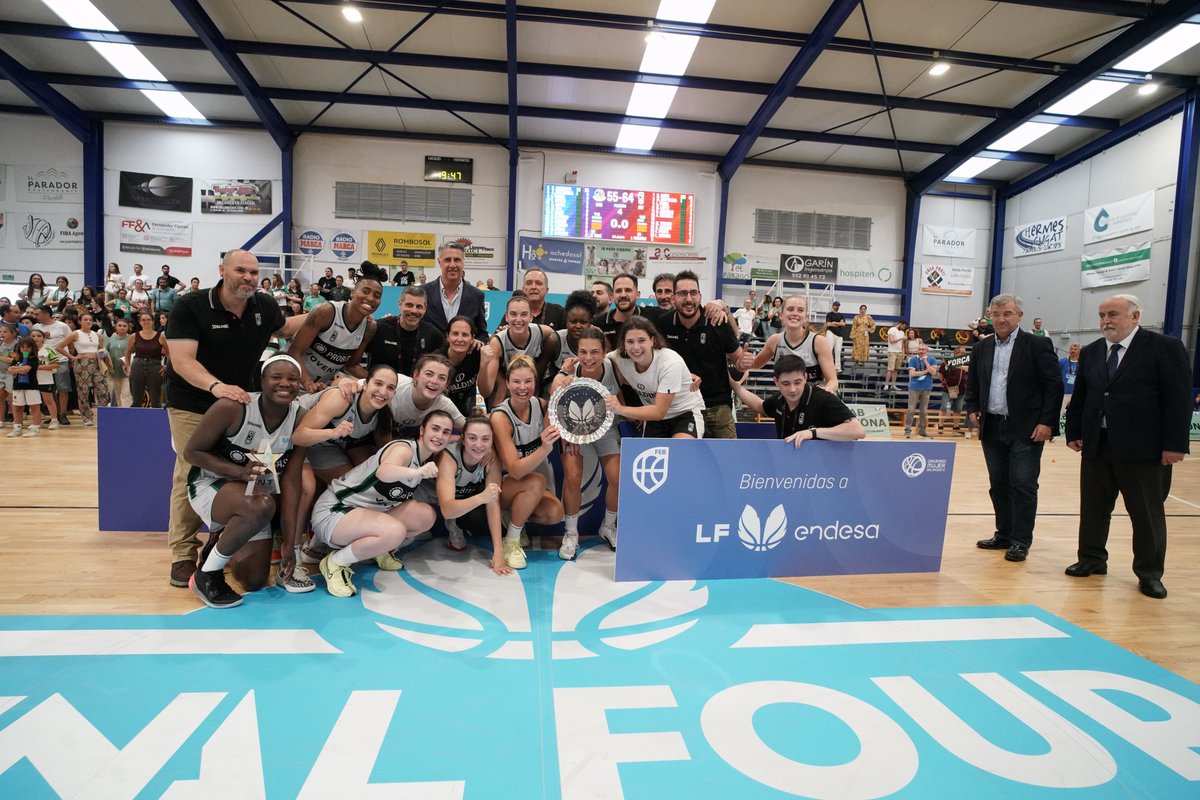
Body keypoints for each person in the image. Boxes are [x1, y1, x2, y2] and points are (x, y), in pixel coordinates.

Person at [162, 248, 304, 589]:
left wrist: (336, 313)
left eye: (254, 273)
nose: (248, 278)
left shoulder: (264, 306)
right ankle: (183, 554)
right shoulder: (191, 306)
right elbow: (181, 360)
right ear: (222, 269)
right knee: (190, 470)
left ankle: (224, 538)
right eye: (241, 270)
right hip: (194, 401)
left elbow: (286, 329)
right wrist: (216, 387)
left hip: (242, 405)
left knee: (257, 474)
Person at [1063, 294, 1191, 599]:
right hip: (1098, 444)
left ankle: (1149, 573)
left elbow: (1179, 400)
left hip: (1145, 450)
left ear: (1135, 317)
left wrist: (1175, 445)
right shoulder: (1093, 351)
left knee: (1146, 515)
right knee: (1093, 508)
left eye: (1113, 314)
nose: (1106, 320)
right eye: (1102, 314)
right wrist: (1074, 431)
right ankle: (1092, 559)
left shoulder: (1164, 347)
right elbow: (1082, 397)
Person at [183, 356, 310, 607]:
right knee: (259, 504)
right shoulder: (233, 407)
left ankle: (220, 541)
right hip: (212, 485)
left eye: (292, 379)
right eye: (276, 377)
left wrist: (289, 543)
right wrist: (238, 472)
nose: (285, 383)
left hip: (255, 497)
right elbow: (192, 452)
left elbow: (292, 483)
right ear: (262, 381)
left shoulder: (300, 418)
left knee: (253, 580)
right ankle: (207, 575)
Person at [311, 409, 454, 597]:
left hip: (363, 513)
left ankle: (379, 549)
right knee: (395, 531)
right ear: (422, 430)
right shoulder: (404, 449)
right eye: (435, 429)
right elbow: (383, 472)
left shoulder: (424, 457)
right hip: (335, 511)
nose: (439, 436)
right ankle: (335, 562)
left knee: (425, 516)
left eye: (446, 432)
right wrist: (417, 473)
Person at [963, 294, 1062, 564]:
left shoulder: (1038, 345)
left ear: (1019, 315)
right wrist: (972, 407)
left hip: (1026, 428)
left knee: (1023, 485)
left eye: (1007, 313)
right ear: (989, 317)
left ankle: (1021, 541)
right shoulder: (982, 348)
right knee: (999, 485)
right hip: (992, 426)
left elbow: (1054, 385)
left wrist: (1047, 422)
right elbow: (974, 382)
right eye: (996, 314)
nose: (1001, 319)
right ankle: (1004, 534)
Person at [549, 326, 621, 558]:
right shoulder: (569, 374)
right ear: (576, 352)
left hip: (607, 430)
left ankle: (608, 527)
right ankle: (571, 534)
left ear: (604, 352)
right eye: (583, 352)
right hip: (575, 432)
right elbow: (554, 402)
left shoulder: (615, 367)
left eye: (594, 352)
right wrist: (561, 375)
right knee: (572, 477)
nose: (588, 358)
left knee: (618, 478)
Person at [489, 355, 566, 568]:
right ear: (507, 383)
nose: (522, 387)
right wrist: (544, 448)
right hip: (503, 486)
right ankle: (511, 540)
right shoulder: (500, 417)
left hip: (529, 483)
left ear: (535, 382)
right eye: (516, 382)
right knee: (535, 481)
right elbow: (515, 470)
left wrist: (565, 377)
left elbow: (563, 419)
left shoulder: (541, 406)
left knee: (554, 513)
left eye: (528, 381)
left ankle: (512, 520)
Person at [657, 271, 744, 439]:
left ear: (700, 295)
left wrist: (744, 362)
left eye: (693, 293)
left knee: (728, 461)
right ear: (673, 297)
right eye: (682, 293)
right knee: (685, 461)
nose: (689, 299)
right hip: (680, 408)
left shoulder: (717, 321)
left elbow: (739, 360)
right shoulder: (662, 323)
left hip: (717, 407)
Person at [606, 316, 706, 442]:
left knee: (678, 453)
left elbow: (659, 411)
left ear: (652, 340)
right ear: (624, 344)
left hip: (685, 413)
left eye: (641, 340)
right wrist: (573, 368)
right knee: (651, 456)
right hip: (654, 417)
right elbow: (593, 361)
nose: (636, 347)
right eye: (630, 342)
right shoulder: (617, 358)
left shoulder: (670, 362)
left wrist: (621, 409)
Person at [287, 264, 383, 394]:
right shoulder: (326, 311)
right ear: (352, 292)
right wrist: (308, 382)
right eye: (365, 291)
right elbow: (294, 352)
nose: (371, 298)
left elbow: (351, 366)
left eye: (377, 295)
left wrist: (381, 381)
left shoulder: (369, 327)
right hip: (290, 379)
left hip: (319, 388)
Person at [732, 355, 865, 446]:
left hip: (825, 473)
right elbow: (759, 405)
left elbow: (857, 430)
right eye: (786, 383)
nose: (792, 389)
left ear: (805, 377)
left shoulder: (823, 398)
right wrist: (734, 385)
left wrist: (813, 433)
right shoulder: (779, 400)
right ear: (776, 382)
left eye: (797, 382)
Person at [435, 415, 511, 575]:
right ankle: (452, 523)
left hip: (465, 499)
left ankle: (458, 522)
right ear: (463, 439)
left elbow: (493, 502)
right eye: (472, 438)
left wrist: (498, 551)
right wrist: (483, 497)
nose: (478, 445)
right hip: (436, 499)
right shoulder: (449, 457)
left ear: (492, 442)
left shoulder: (491, 459)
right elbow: (446, 510)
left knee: (478, 515)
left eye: (485, 439)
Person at [746, 296, 838, 394]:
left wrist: (828, 391)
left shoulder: (818, 341)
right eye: (790, 309)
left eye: (800, 310)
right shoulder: (774, 340)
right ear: (781, 315)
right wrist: (742, 362)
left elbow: (833, 381)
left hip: (815, 399)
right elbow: (755, 364)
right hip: (789, 400)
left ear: (805, 317)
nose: (795, 313)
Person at [484, 292, 560, 404]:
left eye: (524, 314)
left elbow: (559, 342)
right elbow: (486, 391)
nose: (518, 319)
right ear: (506, 317)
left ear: (531, 317)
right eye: (513, 314)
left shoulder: (545, 332)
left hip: (533, 386)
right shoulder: (498, 342)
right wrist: (483, 366)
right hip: (508, 386)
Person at [367, 284, 445, 378]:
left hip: (416, 390)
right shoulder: (380, 328)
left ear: (425, 308)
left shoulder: (433, 334)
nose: (414, 311)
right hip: (382, 389)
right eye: (409, 305)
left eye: (419, 307)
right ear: (400, 304)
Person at [387, 353, 466, 435]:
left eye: (442, 378)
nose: (434, 381)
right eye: (429, 374)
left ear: (447, 384)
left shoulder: (444, 404)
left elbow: (467, 428)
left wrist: (453, 439)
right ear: (416, 375)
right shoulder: (395, 383)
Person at [422, 243, 488, 337]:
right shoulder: (423, 292)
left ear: (463, 262)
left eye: (457, 260)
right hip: (430, 351)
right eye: (447, 260)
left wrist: (479, 342)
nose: (452, 265)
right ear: (439, 262)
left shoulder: (477, 296)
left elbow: (482, 333)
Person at [55, 313, 109, 426]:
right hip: (82, 363)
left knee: (102, 388)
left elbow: (100, 349)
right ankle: (87, 416)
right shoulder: (75, 334)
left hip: (97, 362)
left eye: (90, 319)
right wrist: (72, 357)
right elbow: (59, 347)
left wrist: (103, 355)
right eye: (85, 319)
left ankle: (104, 416)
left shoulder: (97, 335)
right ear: (80, 321)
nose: (88, 321)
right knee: (83, 391)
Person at [437, 315, 494, 416]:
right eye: (455, 334)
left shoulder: (477, 354)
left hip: (468, 415)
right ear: (447, 336)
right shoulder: (437, 360)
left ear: (472, 338)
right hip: (440, 415)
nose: (460, 339)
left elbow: (485, 392)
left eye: (465, 335)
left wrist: (484, 365)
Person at [31, 305, 72, 426]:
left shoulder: (62, 326)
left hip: (60, 360)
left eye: (37, 314)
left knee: (62, 388)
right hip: (43, 362)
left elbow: (70, 343)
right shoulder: (36, 327)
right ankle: (54, 414)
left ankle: (63, 413)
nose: (35, 316)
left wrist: (71, 358)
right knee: (49, 390)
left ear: (46, 314)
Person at [124, 312, 168, 407]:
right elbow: (127, 352)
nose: (146, 322)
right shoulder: (134, 336)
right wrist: (128, 366)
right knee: (136, 399)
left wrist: (166, 366)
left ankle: (156, 421)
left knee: (156, 400)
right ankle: (136, 420)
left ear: (152, 322)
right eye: (143, 320)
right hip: (137, 365)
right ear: (139, 322)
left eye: (148, 319)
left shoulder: (161, 337)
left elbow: (169, 353)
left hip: (155, 366)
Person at [5, 335, 43, 438]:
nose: (25, 349)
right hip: (17, 386)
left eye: (27, 347)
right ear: (19, 348)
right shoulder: (17, 358)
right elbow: (9, 370)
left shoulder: (33, 358)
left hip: (31, 386)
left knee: (34, 407)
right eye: (22, 347)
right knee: (17, 408)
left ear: (32, 348)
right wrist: (19, 368)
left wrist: (16, 369)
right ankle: (17, 428)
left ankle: (35, 428)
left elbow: (25, 370)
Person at [554, 291, 598, 371]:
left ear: (590, 322)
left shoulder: (599, 340)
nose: (578, 326)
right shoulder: (554, 340)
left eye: (583, 322)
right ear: (566, 321)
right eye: (573, 321)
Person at [904, 342, 937, 439]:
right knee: (911, 410)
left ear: (926, 350)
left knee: (923, 411)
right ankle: (907, 430)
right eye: (919, 349)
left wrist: (926, 362)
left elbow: (933, 372)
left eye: (923, 349)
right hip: (914, 388)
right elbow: (913, 374)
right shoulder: (913, 360)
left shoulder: (932, 359)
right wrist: (926, 371)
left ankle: (922, 431)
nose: (921, 351)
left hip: (926, 388)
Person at [105, 318, 133, 407]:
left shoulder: (131, 339)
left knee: (126, 395)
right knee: (117, 395)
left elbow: (135, 354)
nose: (122, 328)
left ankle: (127, 415)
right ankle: (120, 415)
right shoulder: (111, 339)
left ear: (128, 327)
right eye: (119, 326)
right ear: (115, 327)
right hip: (114, 371)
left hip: (127, 372)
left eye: (125, 326)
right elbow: (106, 352)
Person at [884, 319, 908, 390]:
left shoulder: (902, 332)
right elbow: (891, 341)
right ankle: (886, 384)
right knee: (890, 369)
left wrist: (903, 354)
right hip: (892, 351)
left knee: (896, 369)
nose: (903, 328)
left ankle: (893, 385)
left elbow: (902, 344)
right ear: (900, 324)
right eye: (903, 326)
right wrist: (901, 338)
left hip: (899, 352)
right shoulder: (892, 329)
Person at [1059, 342, 1080, 415]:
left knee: (1076, 414)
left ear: (1079, 351)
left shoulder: (1083, 362)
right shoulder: (1062, 362)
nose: (1073, 351)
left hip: (1077, 394)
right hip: (1064, 394)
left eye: (1075, 349)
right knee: (1061, 414)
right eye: (1071, 349)